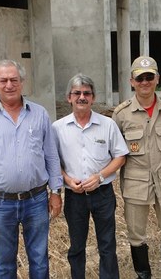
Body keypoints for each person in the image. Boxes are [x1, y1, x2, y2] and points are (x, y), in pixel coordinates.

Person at [0, 59, 63, 279]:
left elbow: (51, 155)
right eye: (3, 80)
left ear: (22, 82)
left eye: (14, 80)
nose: (9, 85)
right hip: (0, 204)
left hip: (36, 201)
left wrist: (56, 192)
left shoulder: (40, 114)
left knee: (39, 262)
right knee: (5, 266)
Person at [112, 56, 161, 279]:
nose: (145, 82)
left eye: (149, 77)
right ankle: (143, 274)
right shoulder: (121, 114)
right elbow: (117, 150)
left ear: (157, 79)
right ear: (131, 81)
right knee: (136, 234)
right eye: (140, 78)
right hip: (136, 183)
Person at [52, 73, 129, 279]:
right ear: (69, 97)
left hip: (103, 194)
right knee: (76, 247)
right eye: (77, 93)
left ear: (93, 97)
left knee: (107, 245)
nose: (82, 97)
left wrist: (100, 176)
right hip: (74, 197)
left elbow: (120, 156)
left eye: (87, 93)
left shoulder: (107, 124)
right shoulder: (58, 128)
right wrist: (67, 180)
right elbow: (52, 162)